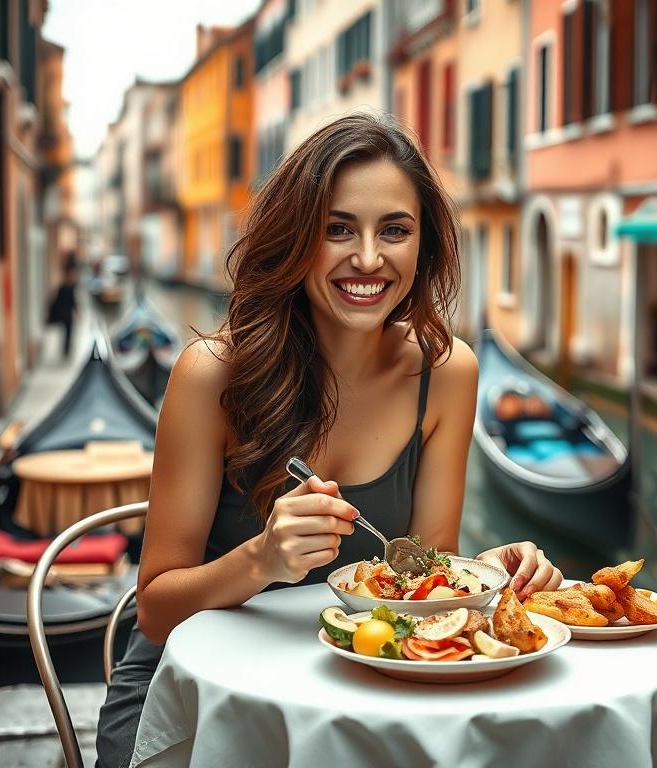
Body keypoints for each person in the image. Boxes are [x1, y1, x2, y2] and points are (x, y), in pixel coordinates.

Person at [95, 113, 564, 767]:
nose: (368, 258)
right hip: (193, 695)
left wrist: (490, 574)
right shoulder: (210, 375)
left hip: (355, 686)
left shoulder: (447, 372)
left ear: (422, 246)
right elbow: (155, 612)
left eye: (394, 231)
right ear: (296, 240)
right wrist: (260, 560)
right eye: (337, 228)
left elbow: (422, 581)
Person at [47, 257, 78, 358]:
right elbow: (70, 301)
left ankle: (66, 350)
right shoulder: (66, 288)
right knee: (67, 333)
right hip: (66, 314)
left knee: (67, 333)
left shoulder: (66, 287)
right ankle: (66, 350)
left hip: (66, 313)